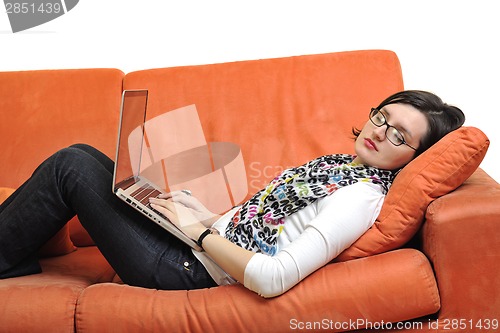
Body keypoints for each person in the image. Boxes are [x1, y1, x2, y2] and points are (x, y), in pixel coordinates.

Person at [0, 90, 465, 297]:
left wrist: (198, 237)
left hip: (189, 272)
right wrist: (195, 215)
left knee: (71, 166)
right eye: (382, 117)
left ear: (415, 156)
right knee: (86, 154)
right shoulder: (341, 167)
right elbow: (259, 224)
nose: (381, 132)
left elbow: (274, 276)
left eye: (400, 136)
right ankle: (12, 254)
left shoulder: (359, 196)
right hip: (194, 246)